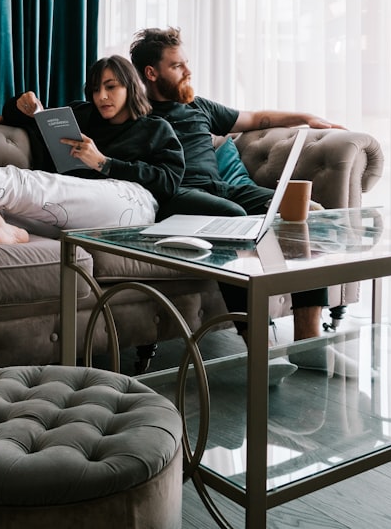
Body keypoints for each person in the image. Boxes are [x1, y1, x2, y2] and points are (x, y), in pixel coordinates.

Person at [129, 27, 349, 365]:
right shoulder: (133, 115)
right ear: (151, 73)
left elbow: (257, 118)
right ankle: (261, 348)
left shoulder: (198, 106)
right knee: (237, 222)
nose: (188, 71)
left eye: (186, 63)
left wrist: (305, 117)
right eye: (177, 66)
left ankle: (309, 344)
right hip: (182, 196)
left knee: (304, 214)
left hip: (227, 189)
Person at [0, 55, 184, 243]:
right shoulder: (83, 114)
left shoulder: (156, 128)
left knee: (29, 185)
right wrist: (22, 105)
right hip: (73, 209)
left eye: (111, 86)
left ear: (131, 86)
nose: (101, 96)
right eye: (95, 88)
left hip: (131, 204)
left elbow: (169, 182)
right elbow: (30, 118)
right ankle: (16, 231)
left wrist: (104, 163)